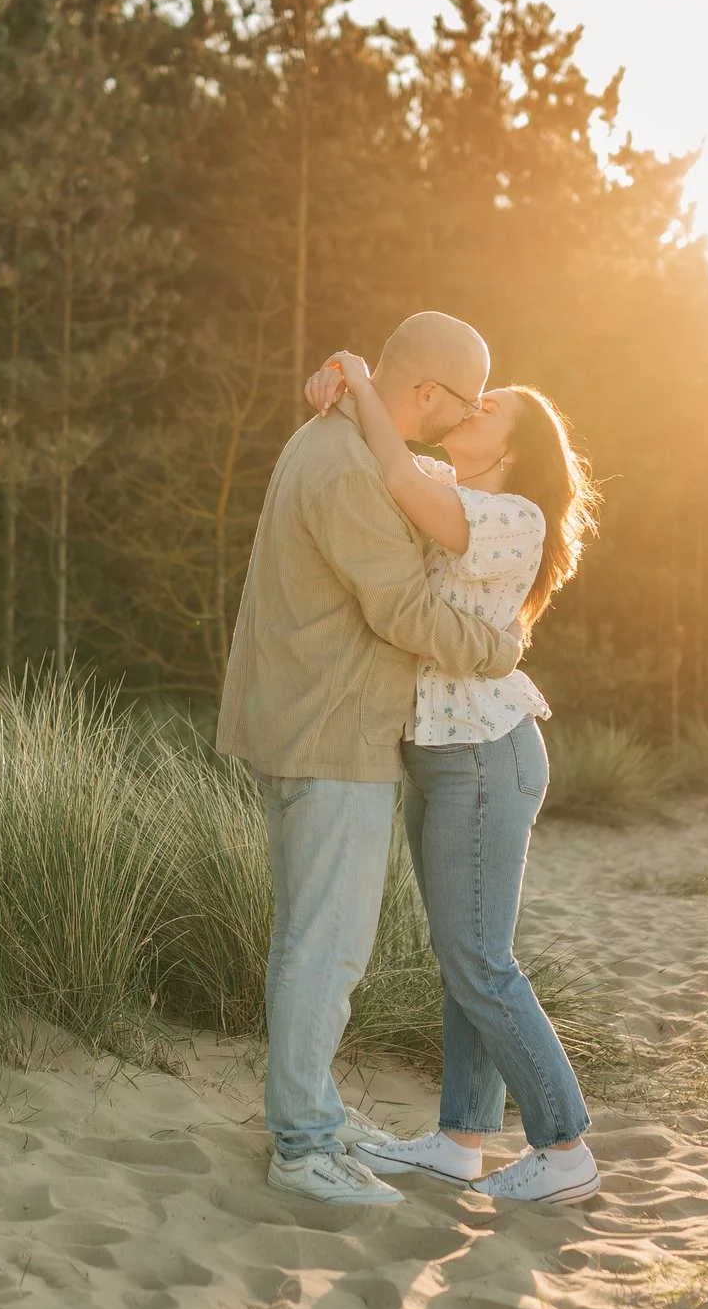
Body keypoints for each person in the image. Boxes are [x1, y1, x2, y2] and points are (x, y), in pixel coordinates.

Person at [216, 311, 527, 1207]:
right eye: (462, 402)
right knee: (328, 947)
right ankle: (304, 1145)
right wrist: (499, 650)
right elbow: (401, 610)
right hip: (330, 731)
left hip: (317, 724)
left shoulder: (342, 436)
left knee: (310, 938)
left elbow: (429, 481)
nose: (462, 421)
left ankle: (311, 1108)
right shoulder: (346, 466)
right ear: (426, 392)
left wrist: (349, 369)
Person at [302, 348, 603, 1205]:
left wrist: (362, 378)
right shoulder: (455, 484)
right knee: (461, 956)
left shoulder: (514, 515)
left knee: (480, 958)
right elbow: (385, 449)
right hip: (441, 758)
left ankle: (565, 1145)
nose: (467, 409)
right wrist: (337, 384)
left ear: (517, 447)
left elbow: (396, 478)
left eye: (488, 407)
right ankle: (460, 1140)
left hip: (484, 756)